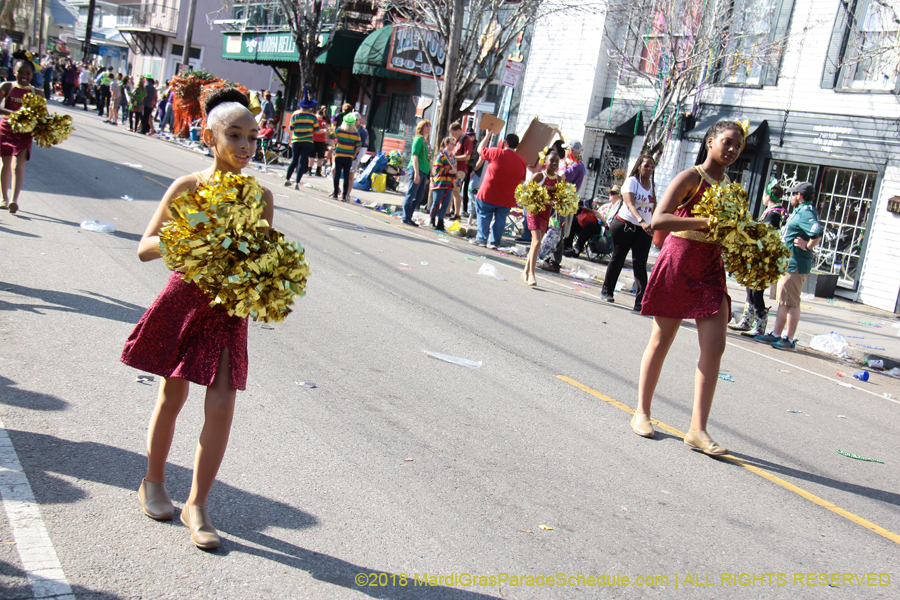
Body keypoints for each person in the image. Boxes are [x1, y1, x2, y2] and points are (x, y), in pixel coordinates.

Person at [122, 87, 273, 550]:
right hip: (185, 299)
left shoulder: (261, 196)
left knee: (223, 404)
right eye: (234, 135)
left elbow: (266, 256)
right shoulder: (188, 187)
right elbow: (146, 247)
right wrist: (190, 241)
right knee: (172, 394)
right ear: (210, 136)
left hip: (229, 310)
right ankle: (152, 481)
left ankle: (198, 504)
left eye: (252, 137)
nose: (245, 146)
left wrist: (265, 274)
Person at [631, 120, 746, 455]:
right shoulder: (690, 178)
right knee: (662, 338)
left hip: (711, 268)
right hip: (679, 262)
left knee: (715, 346)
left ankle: (698, 429)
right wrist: (706, 222)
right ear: (710, 141)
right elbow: (659, 220)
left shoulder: (731, 189)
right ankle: (642, 411)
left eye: (738, 145)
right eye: (727, 142)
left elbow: (730, 230)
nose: (732, 150)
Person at [755, 182, 824, 351]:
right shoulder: (800, 211)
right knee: (783, 301)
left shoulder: (806, 213)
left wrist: (807, 245)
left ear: (799, 195)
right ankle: (776, 334)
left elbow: (817, 232)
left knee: (792, 302)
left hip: (796, 264)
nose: (791, 197)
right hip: (788, 262)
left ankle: (788, 338)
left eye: (793, 194)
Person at [729, 180, 786, 337]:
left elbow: (765, 236)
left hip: (764, 260)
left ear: (767, 196)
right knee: (749, 289)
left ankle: (760, 325)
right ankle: (747, 320)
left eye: (764, 195)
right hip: (757, 257)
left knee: (756, 292)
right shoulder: (769, 212)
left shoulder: (774, 214)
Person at [599, 154, 657, 310]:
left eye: (652, 166)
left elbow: (654, 207)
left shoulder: (652, 184)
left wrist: (653, 223)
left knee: (640, 263)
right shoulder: (631, 182)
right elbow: (630, 204)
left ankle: (640, 302)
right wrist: (641, 220)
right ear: (639, 166)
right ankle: (607, 291)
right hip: (624, 225)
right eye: (646, 166)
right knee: (618, 258)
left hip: (643, 229)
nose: (650, 169)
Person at [0, 51, 43, 214]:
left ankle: (14, 200)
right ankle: (3, 198)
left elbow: (42, 115)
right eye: (20, 72)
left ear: (32, 75)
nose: (24, 76)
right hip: (6, 129)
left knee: (18, 166)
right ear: (14, 72)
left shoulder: (37, 93)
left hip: (24, 134)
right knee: (5, 164)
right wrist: (14, 114)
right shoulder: (7, 86)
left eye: (28, 73)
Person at [472, 131, 527, 249]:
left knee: (483, 214)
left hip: (488, 192)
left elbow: (480, 149)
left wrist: (488, 135)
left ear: (506, 142)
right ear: (516, 146)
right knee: (500, 219)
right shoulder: (521, 161)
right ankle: (494, 242)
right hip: (507, 197)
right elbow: (522, 181)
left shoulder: (496, 152)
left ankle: (482, 239)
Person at [522, 151, 562, 286]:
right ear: (545, 161)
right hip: (534, 211)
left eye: (557, 161)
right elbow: (526, 192)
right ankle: (532, 275)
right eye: (552, 160)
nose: (555, 163)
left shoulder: (559, 179)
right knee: (537, 241)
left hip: (546, 213)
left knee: (535, 244)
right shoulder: (539, 176)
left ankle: (525, 272)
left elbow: (560, 197)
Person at [566, 183, 618, 258]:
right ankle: (567, 246)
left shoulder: (618, 209)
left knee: (589, 225)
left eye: (612, 193)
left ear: (619, 196)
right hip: (595, 226)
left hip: (605, 232)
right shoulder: (606, 206)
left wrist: (601, 217)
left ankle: (577, 249)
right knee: (576, 221)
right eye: (609, 193)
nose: (610, 194)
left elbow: (612, 225)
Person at [284, 87, 319, 189]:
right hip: (307, 140)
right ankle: (297, 183)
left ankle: (287, 179)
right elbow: (316, 130)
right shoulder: (313, 117)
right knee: (302, 162)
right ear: (309, 107)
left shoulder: (295, 114)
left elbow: (290, 128)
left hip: (296, 140)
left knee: (294, 160)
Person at [401, 119, 432, 226]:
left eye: (429, 126)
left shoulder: (426, 141)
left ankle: (409, 216)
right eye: (426, 125)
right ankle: (405, 217)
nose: (428, 127)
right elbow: (414, 156)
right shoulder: (418, 139)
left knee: (419, 196)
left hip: (424, 170)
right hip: (417, 169)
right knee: (411, 193)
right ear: (421, 127)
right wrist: (416, 172)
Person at [429, 136, 458, 231]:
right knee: (436, 202)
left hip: (449, 184)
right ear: (446, 144)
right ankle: (432, 220)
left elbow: (454, 170)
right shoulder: (441, 155)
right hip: (440, 182)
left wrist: (456, 176)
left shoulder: (453, 158)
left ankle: (440, 222)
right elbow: (437, 168)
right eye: (451, 144)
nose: (453, 146)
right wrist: (449, 171)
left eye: (454, 144)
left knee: (446, 204)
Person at [330, 113, 361, 200]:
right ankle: (344, 195)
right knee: (346, 176)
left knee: (337, 175)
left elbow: (331, 136)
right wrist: (354, 154)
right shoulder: (356, 133)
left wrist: (331, 130)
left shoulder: (339, 130)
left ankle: (335, 194)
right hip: (349, 157)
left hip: (339, 155)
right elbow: (359, 145)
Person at [447, 121, 471, 220]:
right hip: (453, 168)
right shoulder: (457, 141)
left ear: (459, 131)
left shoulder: (466, 140)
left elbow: (467, 156)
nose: (452, 135)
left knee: (456, 191)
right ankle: (447, 212)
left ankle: (457, 214)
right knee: (450, 190)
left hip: (460, 170)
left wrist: (453, 158)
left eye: (453, 133)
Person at [348, 112, 368, 191]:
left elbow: (364, 146)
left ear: (359, 120)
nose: (353, 121)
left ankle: (347, 193)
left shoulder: (363, 132)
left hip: (354, 156)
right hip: (345, 154)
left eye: (355, 120)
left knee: (350, 175)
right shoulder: (348, 128)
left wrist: (358, 158)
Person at [311, 106, 329, 176]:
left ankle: (309, 169)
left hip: (313, 139)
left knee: (311, 155)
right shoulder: (324, 122)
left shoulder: (314, 121)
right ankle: (318, 171)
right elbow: (327, 132)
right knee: (320, 156)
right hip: (321, 141)